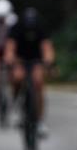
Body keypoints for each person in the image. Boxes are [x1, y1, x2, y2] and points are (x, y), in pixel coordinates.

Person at [4, 7, 55, 136]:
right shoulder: (16, 28)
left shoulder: (40, 27)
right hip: (20, 58)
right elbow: (10, 48)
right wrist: (12, 63)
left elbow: (47, 47)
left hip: (36, 59)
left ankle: (40, 121)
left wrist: (48, 62)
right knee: (17, 78)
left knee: (38, 82)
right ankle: (15, 104)